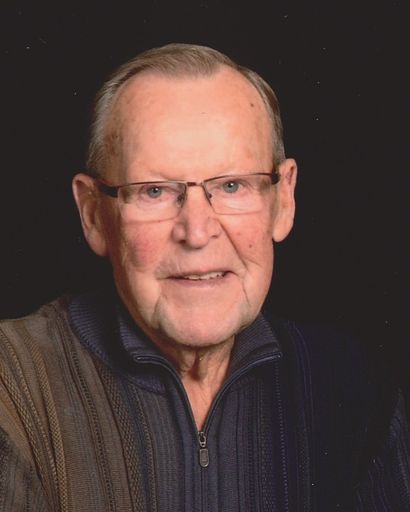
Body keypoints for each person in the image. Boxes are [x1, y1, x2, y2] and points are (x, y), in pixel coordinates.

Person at [0, 43, 409, 512]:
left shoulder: (354, 388)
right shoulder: (13, 387)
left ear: (283, 201)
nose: (197, 232)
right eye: (154, 191)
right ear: (94, 214)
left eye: (232, 185)